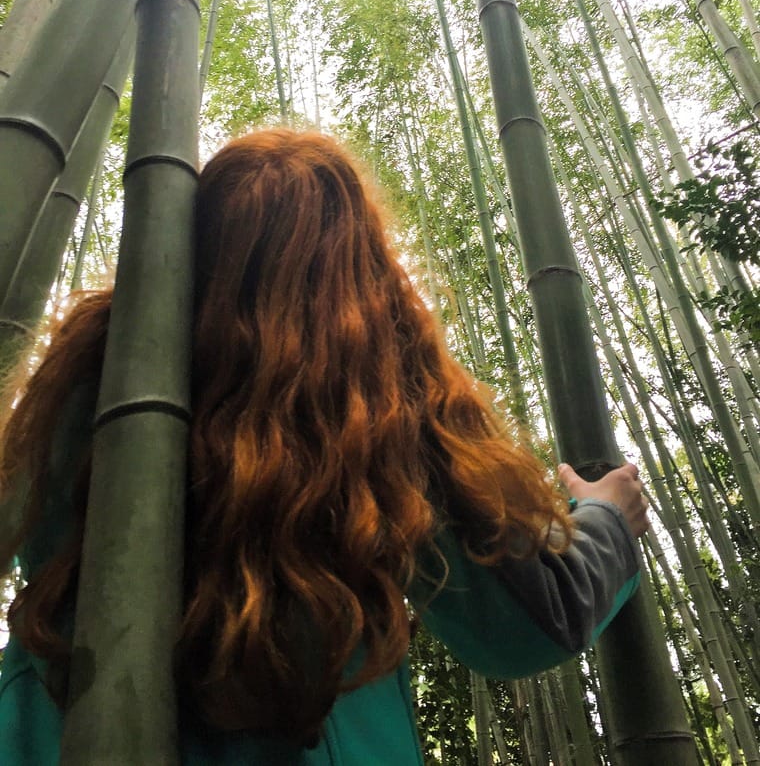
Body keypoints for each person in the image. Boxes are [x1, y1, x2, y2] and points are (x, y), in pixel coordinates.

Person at [0, 127, 647, 764]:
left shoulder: (84, 379)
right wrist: (608, 517)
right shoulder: (376, 406)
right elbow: (530, 620)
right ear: (359, 270)